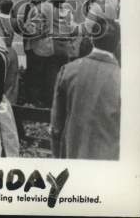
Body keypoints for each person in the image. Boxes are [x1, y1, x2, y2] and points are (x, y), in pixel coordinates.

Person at [50, 17, 120, 159]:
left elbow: (56, 127)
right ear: (118, 43)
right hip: (107, 163)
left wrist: (58, 157)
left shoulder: (68, 71)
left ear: (92, 39)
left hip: (72, 156)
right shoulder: (122, 79)